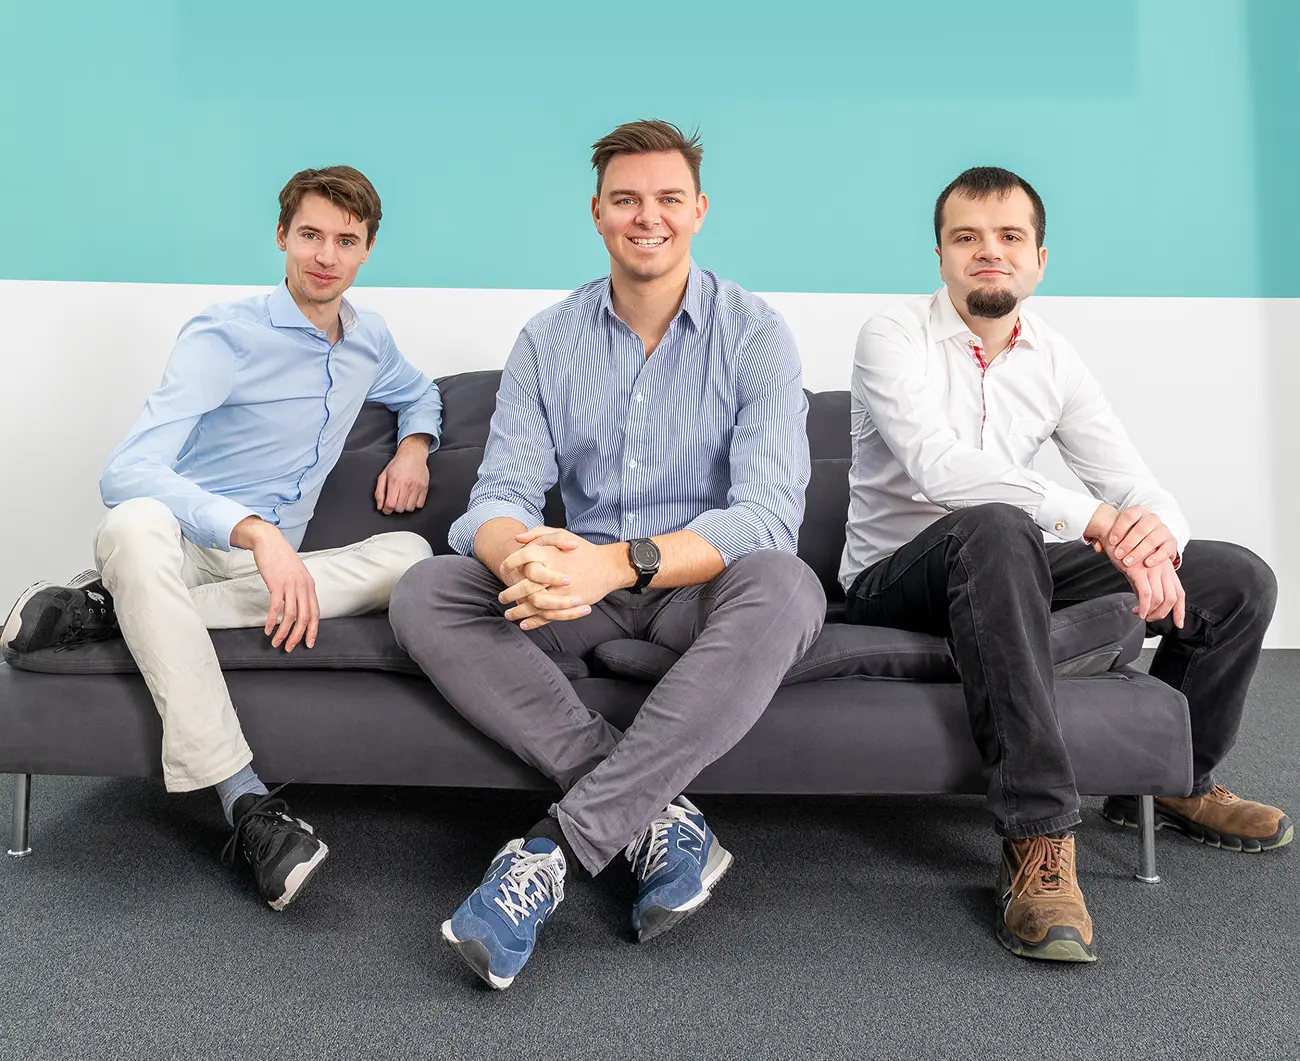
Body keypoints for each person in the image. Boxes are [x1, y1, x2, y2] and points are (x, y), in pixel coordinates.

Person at [389, 120, 825, 989]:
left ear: (699, 210)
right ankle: (662, 818)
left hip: (693, 587)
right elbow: (497, 499)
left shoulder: (756, 334)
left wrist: (616, 562)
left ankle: (554, 849)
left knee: (787, 584)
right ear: (597, 213)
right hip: (577, 593)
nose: (646, 217)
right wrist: (523, 559)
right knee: (428, 590)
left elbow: (769, 515)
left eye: (668, 199)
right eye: (626, 200)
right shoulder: (549, 339)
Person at [839, 165, 1288, 963]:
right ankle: (1039, 835)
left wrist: (1155, 536)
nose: (989, 252)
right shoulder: (891, 335)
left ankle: (1173, 780)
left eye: (1010, 237)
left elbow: (1130, 478)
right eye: (967, 237)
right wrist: (1097, 520)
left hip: (1005, 560)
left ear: (1040, 259)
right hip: (893, 579)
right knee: (998, 523)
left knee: (1234, 576)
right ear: (939, 255)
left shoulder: (1055, 357)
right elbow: (939, 467)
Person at [1, 166, 441, 910]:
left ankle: (113, 612)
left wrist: (417, 445)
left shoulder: (371, 340)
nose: (324, 255)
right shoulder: (225, 333)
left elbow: (418, 390)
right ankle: (245, 800)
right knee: (132, 522)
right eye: (309, 235)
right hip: (185, 540)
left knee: (414, 558)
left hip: (260, 572)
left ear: (367, 250)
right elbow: (128, 469)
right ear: (282, 237)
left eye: (345, 240)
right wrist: (253, 530)